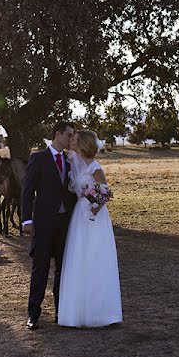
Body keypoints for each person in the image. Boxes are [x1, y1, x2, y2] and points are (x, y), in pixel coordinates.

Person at [57, 129, 122, 328]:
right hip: (78, 215)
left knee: (95, 257)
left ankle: (101, 312)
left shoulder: (95, 167)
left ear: (82, 143)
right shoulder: (72, 160)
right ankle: (75, 312)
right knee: (78, 258)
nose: (71, 142)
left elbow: (106, 192)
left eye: (75, 140)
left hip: (95, 215)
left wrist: (96, 207)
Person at [20, 121, 77, 329]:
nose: (72, 139)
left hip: (65, 224)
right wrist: (27, 220)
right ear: (58, 134)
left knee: (63, 269)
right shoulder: (39, 158)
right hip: (43, 224)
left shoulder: (71, 160)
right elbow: (27, 191)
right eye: (69, 135)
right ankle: (33, 314)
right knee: (40, 269)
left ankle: (61, 312)